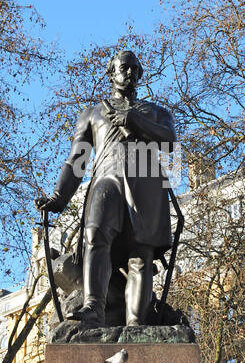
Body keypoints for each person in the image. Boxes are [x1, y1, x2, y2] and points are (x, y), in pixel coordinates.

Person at [35, 50, 177, 327]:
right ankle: (93, 308)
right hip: (106, 178)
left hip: (146, 182)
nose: (130, 73)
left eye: (135, 69)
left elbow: (170, 141)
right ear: (111, 73)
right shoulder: (92, 113)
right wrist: (58, 197)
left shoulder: (157, 112)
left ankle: (137, 323)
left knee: (141, 254)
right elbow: (77, 160)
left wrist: (134, 120)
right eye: (124, 68)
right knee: (95, 234)